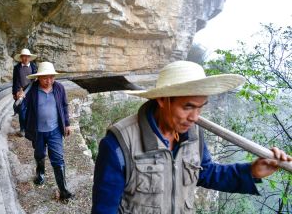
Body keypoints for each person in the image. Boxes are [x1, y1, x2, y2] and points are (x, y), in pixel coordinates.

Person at [92, 60, 292, 213]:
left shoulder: (193, 134)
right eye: (187, 107)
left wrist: (252, 172)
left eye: (200, 108)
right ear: (162, 99)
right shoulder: (119, 144)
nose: (195, 118)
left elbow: (206, 173)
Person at [23, 61, 74, 200]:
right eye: (45, 78)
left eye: (52, 77)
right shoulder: (31, 90)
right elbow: (19, 108)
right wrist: (19, 98)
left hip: (55, 131)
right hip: (38, 131)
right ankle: (40, 173)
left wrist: (67, 124)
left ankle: (63, 190)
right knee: (39, 154)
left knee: (58, 159)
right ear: (38, 77)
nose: (49, 81)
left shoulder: (59, 88)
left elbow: (64, 106)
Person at [12, 48, 38, 137]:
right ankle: (22, 129)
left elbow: (36, 81)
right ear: (21, 58)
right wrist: (15, 93)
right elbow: (15, 81)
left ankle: (30, 127)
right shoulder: (17, 68)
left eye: (27, 57)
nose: (25, 58)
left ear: (29, 58)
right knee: (22, 111)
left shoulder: (34, 67)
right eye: (23, 57)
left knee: (32, 110)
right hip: (21, 93)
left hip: (32, 92)